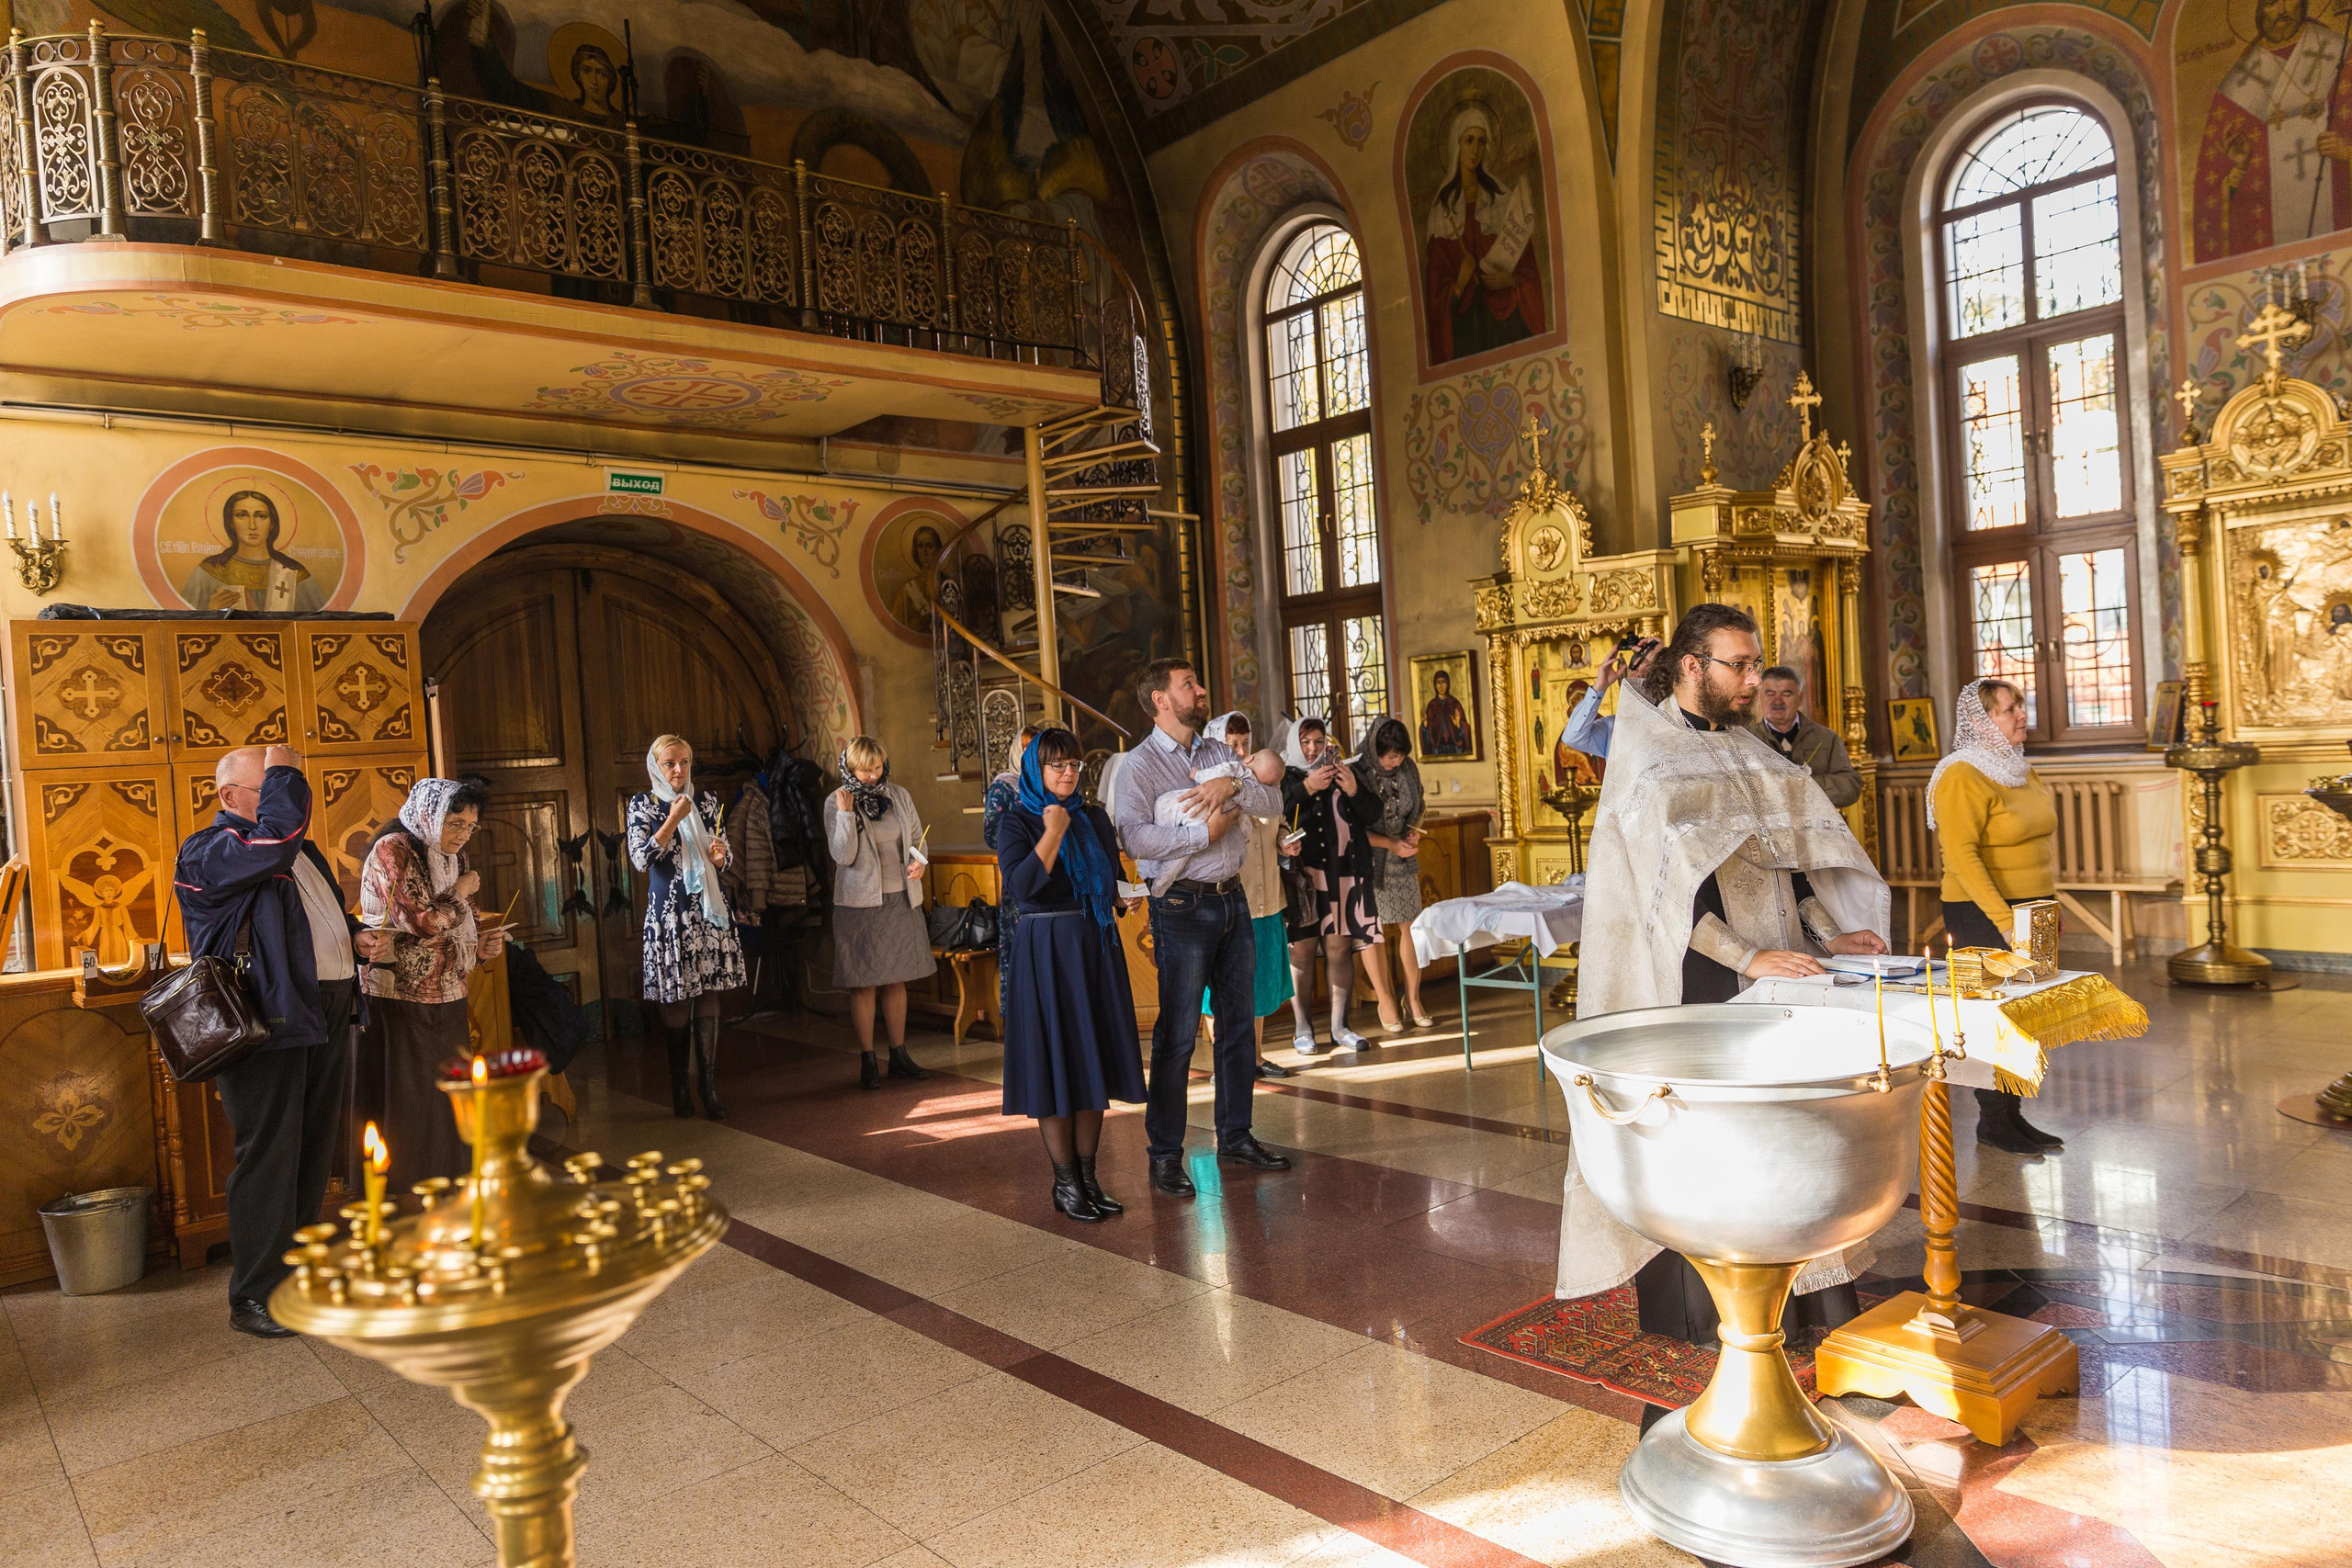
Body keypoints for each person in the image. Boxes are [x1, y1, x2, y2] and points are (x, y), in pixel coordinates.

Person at [1574, 604, 1892, 1345]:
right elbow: (1664, 899)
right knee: (1718, 1158)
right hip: (1700, 986)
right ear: (1693, 667)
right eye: (1740, 665)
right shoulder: (1649, 760)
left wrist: (1829, 933)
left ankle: (1808, 1301)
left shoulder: (1744, 749)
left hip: (1777, 978)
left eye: (1755, 665)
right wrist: (1749, 957)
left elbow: (1789, 870)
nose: (1754, 679)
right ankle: (1713, 1309)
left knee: (1791, 1147)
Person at [175, 745, 390, 1337]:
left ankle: (297, 1277)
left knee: (313, 1146)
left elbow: (305, 920)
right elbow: (272, 845)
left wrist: (353, 936)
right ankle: (255, 1295)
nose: (284, 801)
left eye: (282, 789)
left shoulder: (298, 850)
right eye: (268, 788)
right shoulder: (211, 850)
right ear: (229, 797)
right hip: (264, 1018)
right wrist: (287, 770)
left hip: (323, 1008)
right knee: (269, 1153)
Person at [1110, 659, 1292, 1196]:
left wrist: (1229, 788)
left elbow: (1272, 799)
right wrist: (1202, 835)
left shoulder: (1216, 751)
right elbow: (1133, 837)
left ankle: (1236, 1136)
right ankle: (1165, 1154)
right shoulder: (1138, 766)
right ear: (1161, 700)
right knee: (1179, 1035)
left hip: (1233, 901)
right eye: (1188, 684)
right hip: (1182, 909)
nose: (1201, 689)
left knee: (1238, 1027)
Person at [997, 728, 1148, 1221]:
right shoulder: (1017, 820)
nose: (1068, 773)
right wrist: (1053, 830)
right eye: (1057, 765)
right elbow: (1023, 888)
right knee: (1057, 1060)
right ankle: (1064, 1183)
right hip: (1046, 952)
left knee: (1092, 1059)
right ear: (1035, 770)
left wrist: (1119, 896)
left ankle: (1088, 1177)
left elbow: (1103, 876)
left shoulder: (1096, 819)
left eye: (1074, 765)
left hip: (1094, 948)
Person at [1930, 677, 2065, 1157]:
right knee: (1992, 1017)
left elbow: (2038, 846)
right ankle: (1992, 1121)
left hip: (2034, 907)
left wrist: (2049, 905)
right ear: (1979, 722)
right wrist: (2005, 921)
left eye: (2019, 706)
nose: (2020, 715)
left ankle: (2015, 1116)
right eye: (2008, 710)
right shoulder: (1960, 774)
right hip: (1983, 912)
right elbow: (1962, 859)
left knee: (2027, 1016)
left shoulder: (2018, 769)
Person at [359, 777, 503, 1186]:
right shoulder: (394, 850)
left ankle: (452, 1185)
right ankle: (411, 1190)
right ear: (429, 816)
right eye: (454, 824)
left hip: (448, 991)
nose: (462, 835)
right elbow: (426, 922)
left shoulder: (448, 855)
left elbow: (462, 921)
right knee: (414, 1098)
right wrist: (460, 890)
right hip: (401, 994)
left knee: (449, 1094)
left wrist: (479, 947)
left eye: (470, 827)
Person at [627, 736, 745, 1119]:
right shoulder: (643, 804)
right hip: (670, 916)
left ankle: (708, 1085)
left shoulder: (708, 802)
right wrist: (672, 820)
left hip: (709, 913)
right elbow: (641, 859)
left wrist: (722, 855)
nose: (678, 769)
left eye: (684, 762)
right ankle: (679, 1084)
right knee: (676, 998)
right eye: (669, 763)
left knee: (710, 994)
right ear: (655, 767)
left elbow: (724, 858)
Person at [2193, 0, 2352, 259]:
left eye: (2290, 0)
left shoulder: (2340, 54)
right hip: (2268, 259)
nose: (2283, 10)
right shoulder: (2238, 87)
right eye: (2272, 3)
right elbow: (2210, 186)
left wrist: (2347, 153)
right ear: (2259, 12)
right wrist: (2239, 169)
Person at [825, 736, 937, 1090]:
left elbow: (919, 838)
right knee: (864, 984)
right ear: (850, 768)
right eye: (865, 769)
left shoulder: (899, 796)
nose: (873, 776)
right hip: (860, 904)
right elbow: (842, 856)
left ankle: (899, 1054)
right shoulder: (837, 800)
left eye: (877, 768)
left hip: (901, 900)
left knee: (896, 979)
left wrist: (919, 863)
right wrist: (845, 814)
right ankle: (868, 1059)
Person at [1279, 715, 1383, 1055]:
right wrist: (1308, 787)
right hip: (1305, 879)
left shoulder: (1343, 772)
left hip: (1345, 874)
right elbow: (1276, 811)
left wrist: (1353, 789)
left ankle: (1341, 1028)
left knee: (1339, 949)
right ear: (1296, 743)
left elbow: (1372, 814)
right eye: (1306, 742)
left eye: (1319, 742)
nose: (1312, 749)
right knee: (1303, 951)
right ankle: (1302, 1029)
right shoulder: (1286, 776)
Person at [1199, 713, 1295, 1079]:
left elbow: (1277, 822)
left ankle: (1254, 1057)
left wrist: (1285, 840)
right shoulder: (1214, 785)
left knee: (1260, 984)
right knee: (1220, 989)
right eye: (1232, 744)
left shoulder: (1265, 783)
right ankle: (1227, 1061)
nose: (1240, 752)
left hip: (1267, 898)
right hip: (1231, 902)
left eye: (1244, 744)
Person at [1356, 715, 1432, 1030]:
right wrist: (1390, 843)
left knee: (1411, 927)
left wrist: (1413, 830)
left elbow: (1420, 803)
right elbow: (1352, 827)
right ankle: (1386, 1001)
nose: (1395, 762)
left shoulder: (1408, 767)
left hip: (1402, 858)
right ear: (1376, 749)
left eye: (1400, 756)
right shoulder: (1358, 771)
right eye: (1390, 756)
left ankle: (1413, 998)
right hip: (1370, 859)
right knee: (1373, 930)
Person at [982, 724, 1045, 1032]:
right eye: (1028, 749)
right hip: (1021, 881)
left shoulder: (1051, 782)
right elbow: (992, 833)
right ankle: (1022, 1022)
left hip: (1050, 879)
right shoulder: (1004, 788)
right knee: (1021, 953)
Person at [181, 489, 326, 613]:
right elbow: (181, 622)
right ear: (230, 522)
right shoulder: (209, 571)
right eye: (242, 515)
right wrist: (212, 611)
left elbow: (325, 622)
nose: (252, 525)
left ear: (272, 524)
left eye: (261, 516)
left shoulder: (294, 573)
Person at [1747, 666, 1863, 809]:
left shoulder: (1826, 738)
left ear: (1800, 698)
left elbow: (1851, 786)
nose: (1778, 701)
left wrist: (1805, 784)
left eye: (1786, 694)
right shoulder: (1745, 738)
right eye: (1770, 694)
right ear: (1759, 698)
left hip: (1817, 827)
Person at [1559, 635, 1659, 760]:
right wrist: (1599, 688)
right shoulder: (1612, 726)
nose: (1639, 675)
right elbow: (1572, 737)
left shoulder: (1674, 718)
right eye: (1634, 668)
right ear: (1626, 676)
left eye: (1648, 671)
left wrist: (1665, 657)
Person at [1419, 670, 1473, 756]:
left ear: (1448, 684)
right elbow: (1427, 733)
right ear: (1435, 685)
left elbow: (1466, 730)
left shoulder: (1454, 704)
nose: (1441, 686)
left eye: (1443, 682)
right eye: (1438, 682)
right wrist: (1424, 726)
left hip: (1455, 748)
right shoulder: (1432, 706)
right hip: (1437, 749)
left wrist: (1459, 725)